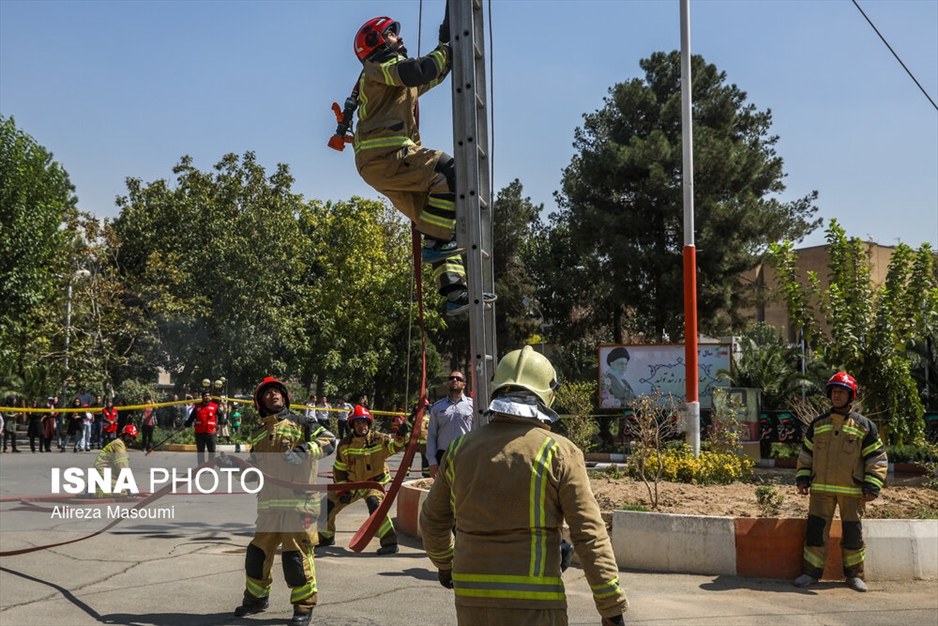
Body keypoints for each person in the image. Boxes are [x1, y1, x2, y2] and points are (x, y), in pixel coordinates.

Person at [420, 346, 629, 626]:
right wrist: (611, 608)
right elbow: (589, 534)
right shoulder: (558, 452)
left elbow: (433, 520)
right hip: (536, 606)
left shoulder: (459, 450)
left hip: (472, 603)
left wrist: (445, 564)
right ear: (548, 395)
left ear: (496, 390)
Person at [348, 15, 494, 317]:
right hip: (386, 157)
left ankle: (454, 292)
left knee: (438, 221)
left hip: (382, 164)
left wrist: (447, 40)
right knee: (450, 171)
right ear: (375, 43)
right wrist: (447, 48)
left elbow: (434, 72)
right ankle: (436, 242)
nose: (399, 39)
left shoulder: (393, 78)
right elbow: (419, 70)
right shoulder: (377, 69)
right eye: (391, 35)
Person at [233, 377, 336, 626]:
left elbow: (330, 441)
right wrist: (236, 468)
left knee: (295, 557)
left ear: (285, 396)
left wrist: (304, 451)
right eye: (267, 393)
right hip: (269, 508)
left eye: (277, 391)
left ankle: (303, 606)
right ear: (261, 403)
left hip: (299, 505)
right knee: (257, 555)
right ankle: (256, 599)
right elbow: (254, 476)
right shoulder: (259, 435)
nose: (273, 394)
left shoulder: (303, 422)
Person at [793, 371, 888, 593]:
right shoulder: (818, 425)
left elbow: (877, 459)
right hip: (820, 492)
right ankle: (810, 573)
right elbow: (806, 455)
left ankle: (855, 576)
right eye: (834, 391)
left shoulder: (864, 426)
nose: (837, 396)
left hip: (853, 493)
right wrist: (802, 479)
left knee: (853, 535)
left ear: (850, 396)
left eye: (842, 392)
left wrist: (873, 486)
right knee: (816, 533)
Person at [317, 405, 407, 555]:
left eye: (364, 422)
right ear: (352, 425)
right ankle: (326, 536)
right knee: (325, 507)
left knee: (376, 506)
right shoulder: (345, 445)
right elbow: (339, 470)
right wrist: (342, 491)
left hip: (373, 484)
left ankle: (389, 542)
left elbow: (395, 447)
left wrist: (400, 436)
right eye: (357, 423)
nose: (361, 426)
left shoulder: (379, 439)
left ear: (369, 423)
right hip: (352, 485)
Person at [426, 371, 473, 479]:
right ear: (448, 383)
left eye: (458, 379)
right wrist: (432, 462)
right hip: (443, 456)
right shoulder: (437, 407)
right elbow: (431, 436)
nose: (454, 380)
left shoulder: (473, 406)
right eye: (451, 378)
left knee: (464, 490)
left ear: (464, 385)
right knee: (444, 492)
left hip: (466, 455)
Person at [93, 424, 138, 497]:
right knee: (123, 491)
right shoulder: (118, 444)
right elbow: (122, 466)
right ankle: (94, 491)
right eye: (128, 436)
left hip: (107, 474)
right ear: (123, 435)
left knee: (125, 489)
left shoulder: (122, 445)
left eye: (132, 437)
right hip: (102, 475)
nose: (130, 439)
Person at [185, 390, 218, 466]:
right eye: (205, 396)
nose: (207, 397)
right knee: (200, 451)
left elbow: (221, 416)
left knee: (212, 450)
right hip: (199, 432)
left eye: (208, 396)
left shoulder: (215, 406)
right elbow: (191, 418)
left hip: (210, 432)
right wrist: (184, 426)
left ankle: (211, 466)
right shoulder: (197, 407)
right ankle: (201, 467)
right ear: (202, 397)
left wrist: (218, 425)